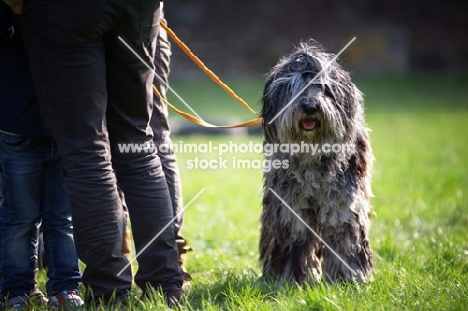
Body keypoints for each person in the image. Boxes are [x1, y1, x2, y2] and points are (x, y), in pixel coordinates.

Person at [6, 0, 185, 307]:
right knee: (138, 145)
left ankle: (109, 292)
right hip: (137, 7)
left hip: (64, 12)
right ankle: (165, 286)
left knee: (87, 152)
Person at [0, 2, 83, 309]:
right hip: (20, 128)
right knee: (21, 220)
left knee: (56, 219)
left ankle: (63, 288)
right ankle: (18, 290)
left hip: (57, 130)